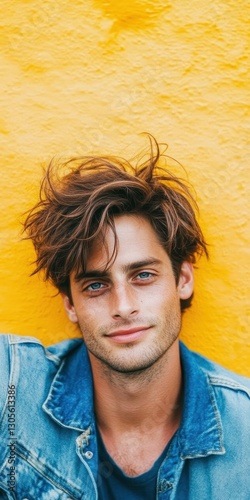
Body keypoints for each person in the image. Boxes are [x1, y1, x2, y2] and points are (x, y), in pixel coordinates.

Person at [0, 138, 249, 500]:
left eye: (143, 275)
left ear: (182, 279)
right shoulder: (12, 389)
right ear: (70, 303)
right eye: (96, 284)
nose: (123, 305)